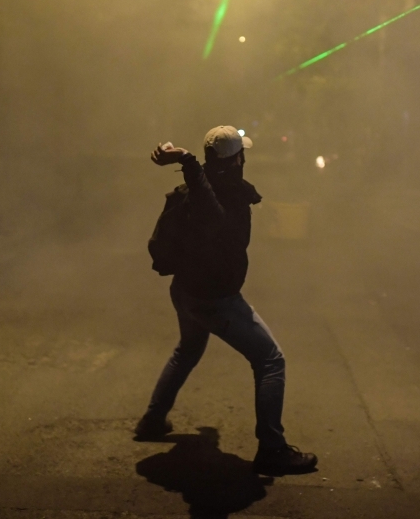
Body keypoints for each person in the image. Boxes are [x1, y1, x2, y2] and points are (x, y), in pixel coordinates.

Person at [135, 125, 318, 477]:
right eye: (240, 155)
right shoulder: (217, 196)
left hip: (185, 292)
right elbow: (211, 212)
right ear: (236, 160)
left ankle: (152, 421)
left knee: (187, 350)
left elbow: (205, 196)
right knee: (270, 360)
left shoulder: (203, 187)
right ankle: (272, 449)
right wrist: (186, 160)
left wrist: (191, 165)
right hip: (213, 300)